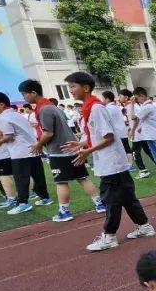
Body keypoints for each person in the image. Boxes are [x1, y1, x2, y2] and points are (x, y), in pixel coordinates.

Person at [60, 71, 154, 252]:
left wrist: (88, 150)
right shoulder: (90, 108)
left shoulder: (96, 108)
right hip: (113, 162)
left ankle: (109, 236)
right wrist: (81, 143)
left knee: (110, 199)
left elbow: (109, 137)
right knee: (127, 197)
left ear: (86, 88)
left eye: (72, 86)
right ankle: (144, 226)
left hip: (111, 163)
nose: (70, 91)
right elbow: (97, 136)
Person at [21, 80, 105, 222]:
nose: (24, 97)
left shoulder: (44, 109)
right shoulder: (51, 107)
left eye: (24, 94)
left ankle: (64, 212)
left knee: (61, 182)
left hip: (59, 151)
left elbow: (48, 133)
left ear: (33, 93)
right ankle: (99, 204)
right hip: (70, 148)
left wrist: (38, 145)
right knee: (82, 178)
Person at [0, 91, 51, 215]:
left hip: (20, 152)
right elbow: (16, 133)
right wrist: (1, 135)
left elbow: (10, 136)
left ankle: (23, 203)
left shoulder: (4, 117)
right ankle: (45, 198)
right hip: (32, 149)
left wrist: (0, 141)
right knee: (38, 176)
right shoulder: (16, 115)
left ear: (1, 104)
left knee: (21, 179)